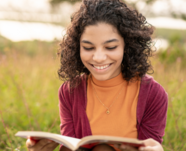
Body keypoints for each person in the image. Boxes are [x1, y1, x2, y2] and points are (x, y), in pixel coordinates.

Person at [26, 0, 168, 151]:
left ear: (127, 46)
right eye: (88, 47)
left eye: (111, 47)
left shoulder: (153, 95)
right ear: (77, 47)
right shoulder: (70, 92)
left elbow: (149, 145)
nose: (98, 57)